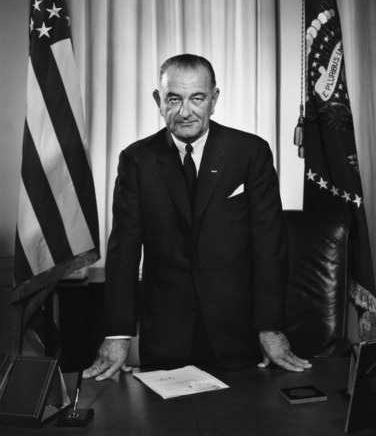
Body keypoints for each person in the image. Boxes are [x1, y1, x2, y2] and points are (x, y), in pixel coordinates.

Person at [84, 54, 311, 381]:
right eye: (174, 99)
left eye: (197, 98)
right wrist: (118, 335)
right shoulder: (136, 160)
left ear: (214, 99)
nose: (186, 111)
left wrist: (270, 326)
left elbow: (269, 247)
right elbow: (124, 250)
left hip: (237, 333)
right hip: (164, 335)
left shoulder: (250, 153)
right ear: (158, 102)